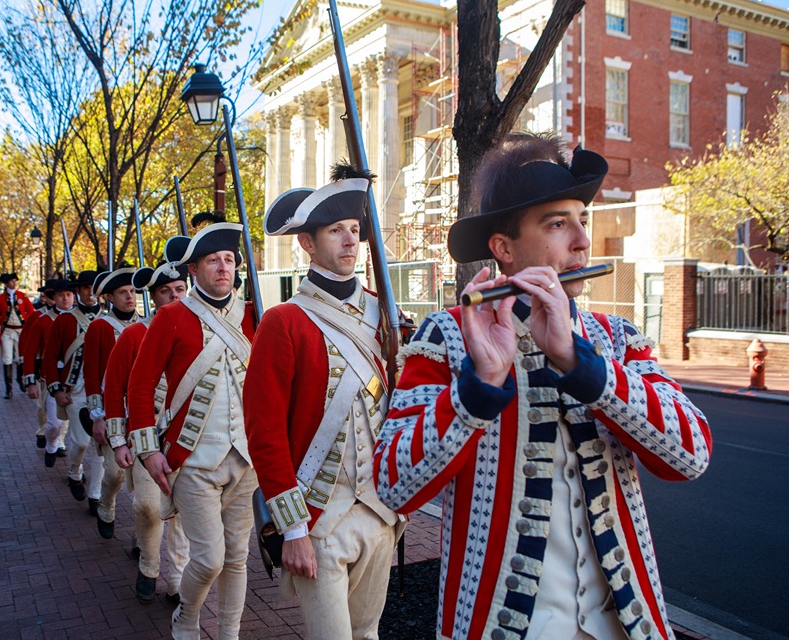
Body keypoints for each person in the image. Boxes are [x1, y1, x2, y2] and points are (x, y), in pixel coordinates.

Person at [373, 133, 712, 640]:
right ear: (504, 248)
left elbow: (691, 455)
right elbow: (393, 485)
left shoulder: (618, 338)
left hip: (624, 625)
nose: (582, 242)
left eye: (582, 221)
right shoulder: (446, 336)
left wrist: (583, 364)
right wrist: (477, 388)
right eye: (557, 224)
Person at [244, 167, 401, 639]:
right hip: (316, 517)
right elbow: (265, 431)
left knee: (368, 634)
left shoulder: (384, 313)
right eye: (336, 231)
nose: (350, 240)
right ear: (307, 243)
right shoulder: (284, 321)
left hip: (380, 510)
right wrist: (292, 529)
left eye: (354, 229)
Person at [127, 222, 256, 639]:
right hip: (193, 458)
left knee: (237, 557)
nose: (223, 267)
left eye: (229, 260)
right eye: (213, 260)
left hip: (247, 458)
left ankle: (230, 633)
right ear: (194, 270)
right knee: (210, 559)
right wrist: (149, 451)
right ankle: (186, 618)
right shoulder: (171, 317)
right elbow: (140, 386)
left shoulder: (254, 315)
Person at [103, 262, 190, 604]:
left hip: (188, 434)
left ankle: (178, 578)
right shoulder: (134, 334)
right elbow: (114, 389)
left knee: (185, 510)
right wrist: (117, 440)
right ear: (152, 297)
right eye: (165, 291)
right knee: (148, 507)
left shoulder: (201, 330)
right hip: (147, 434)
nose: (174, 297)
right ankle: (149, 565)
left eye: (179, 289)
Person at [83, 266, 138, 538]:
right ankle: (106, 504)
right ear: (110, 297)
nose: (130, 297)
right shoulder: (99, 327)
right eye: (123, 292)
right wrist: (97, 416)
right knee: (115, 474)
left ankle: (142, 543)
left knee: (145, 484)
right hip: (111, 410)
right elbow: (92, 374)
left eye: (133, 291)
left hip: (141, 412)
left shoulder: (147, 324)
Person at [43, 269, 103, 513]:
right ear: (78, 291)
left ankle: (96, 496)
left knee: (100, 444)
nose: (90, 293)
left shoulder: (108, 320)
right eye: (85, 288)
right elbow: (49, 358)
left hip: (102, 392)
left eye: (93, 287)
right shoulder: (65, 321)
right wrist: (56, 389)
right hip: (76, 390)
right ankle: (74, 471)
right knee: (80, 443)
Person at [22, 279, 72, 463]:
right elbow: (29, 351)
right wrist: (29, 381)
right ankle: (50, 440)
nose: (65, 299)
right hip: (49, 376)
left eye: (68, 295)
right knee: (51, 419)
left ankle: (60, 443)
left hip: (73, 377)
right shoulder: (43, 320)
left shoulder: (79, 319)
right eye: (61, 295)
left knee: (67, 418)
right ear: (54, 298)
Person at [0, 272, 35, 399]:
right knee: (7, 358)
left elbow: (31, 311)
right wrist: (3, 320)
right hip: (7, 331)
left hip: (21, 331)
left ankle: (20, 379)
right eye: (11, 281)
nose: (14, 283)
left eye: (15, 281)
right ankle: (8, 389)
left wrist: (24, 320)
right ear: (6, 283)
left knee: (21, 358)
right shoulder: (0, 298)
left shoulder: (22, 296)